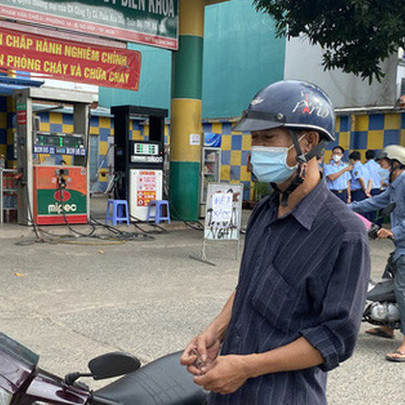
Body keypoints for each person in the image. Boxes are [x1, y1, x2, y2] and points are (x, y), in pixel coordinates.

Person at [181, 80, 370, 404]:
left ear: (309, 142)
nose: (257, 149)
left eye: (268, 138)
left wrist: (247, 367)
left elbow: (335, 337)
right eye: (254, 139)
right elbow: (249, 287)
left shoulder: (344, 234)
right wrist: (214, 332)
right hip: (227, 393)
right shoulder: (265, 212)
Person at [350, 145, 405, 362]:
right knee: (386, 279)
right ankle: (387, 326)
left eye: (383, 163)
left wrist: (393, 231)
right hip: (399, 246)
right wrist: (348, 207)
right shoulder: (396, 184)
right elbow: (376, 202)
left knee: (402, 290)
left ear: (395, 163)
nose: (380, 166)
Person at [364, 149, 383, 221]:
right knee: (377, 208)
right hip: (378, 189)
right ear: (374, 157)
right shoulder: (379, 166)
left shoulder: (365, 166)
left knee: (368, 208)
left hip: (368, 189)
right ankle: (378, 225)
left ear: (366, 157)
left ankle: (369, 224)